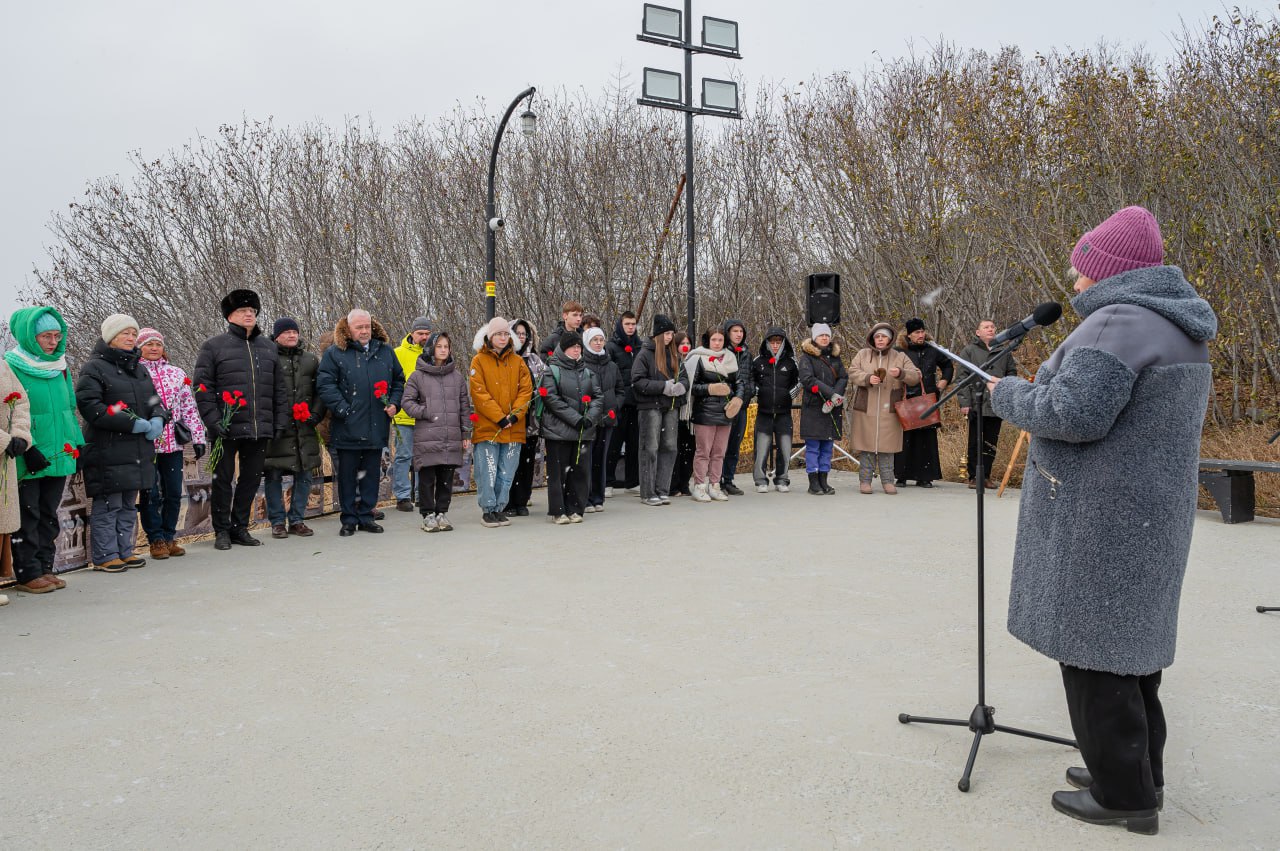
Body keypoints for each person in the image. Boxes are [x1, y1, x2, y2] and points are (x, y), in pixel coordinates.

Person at [988, 206, 1216, 835]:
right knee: (1133, 654)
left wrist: (1007, 395)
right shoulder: (1175, 322)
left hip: (1102, 519)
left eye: (1082, 267)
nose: (1075, 279)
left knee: (1093, 657)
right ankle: (1139, 773)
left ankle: (1124, 797)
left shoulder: (1119, 322)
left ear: (1110, 271)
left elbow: (1075, 412)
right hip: (1145, 516)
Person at [194, 289, 287, 550]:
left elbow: (278, 389)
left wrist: (279, 422)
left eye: (252, 311)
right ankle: (221, 530)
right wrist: (213, 420)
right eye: (242, 311)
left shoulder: (268, 347)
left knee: (250, 479)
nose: (249, 314)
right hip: (225, 427)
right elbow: (202, 387)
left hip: (259, 426)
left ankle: (240, 527)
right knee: (222, 479)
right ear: (230, 316)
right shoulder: (213, 346)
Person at [75, 314, 165, 572]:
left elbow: (154, 402)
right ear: (110, 336)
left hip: (138, 449)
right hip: (108, 447)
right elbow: (91, 406)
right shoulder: (94, 367)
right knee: (108, 503)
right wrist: (131, 423)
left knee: (128, 503)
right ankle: (105, 556)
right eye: (123, 333)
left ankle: (125, 551)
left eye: (132, 333)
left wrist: (158, 419)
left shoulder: (139, 368)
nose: (129, 337)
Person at [7, 307, 83, 594]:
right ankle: (28, 572)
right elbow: (11, 411)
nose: (53, 342)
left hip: (60, 451)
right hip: (30, 452)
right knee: (30, 513)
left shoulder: (59, 366)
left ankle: (46, 567)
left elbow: (68, 408)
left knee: (49, 512)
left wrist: (77, 444)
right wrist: (28, 448)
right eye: (45, 336)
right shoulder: (12, 365)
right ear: (29, 336)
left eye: (56, 335)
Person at [316, 309, 405, 536]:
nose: (364, 331)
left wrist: (395, 403)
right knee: (347, 476)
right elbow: (325, 385)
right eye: (359, 327)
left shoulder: (384, 351)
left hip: (376, 425)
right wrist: (344, 409)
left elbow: (398, 380)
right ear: (349, 328)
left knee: (371, 475)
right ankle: (348, 519)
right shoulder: (336, 353)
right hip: (347, 428)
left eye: (367, 326)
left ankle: (366, 515)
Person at [136, 328, 207, 558]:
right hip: (146, 444)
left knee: (174, 492)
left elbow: (188, 407)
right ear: (140, 348)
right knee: (150, 494)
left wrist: (198, 437)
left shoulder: (176, 373)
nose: (154, 348)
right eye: (149, 344)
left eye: (158, 344)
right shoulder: (134, 372)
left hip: (173, 445)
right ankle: (155, 539)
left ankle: (169, 536)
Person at [400, 332, 471, 533]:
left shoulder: (456, 377)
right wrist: (426, 412)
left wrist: (466, 433)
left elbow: (465, 407)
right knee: (427, 477)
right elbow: (407, 402)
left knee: (446, 478)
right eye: (439, 346)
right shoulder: (418, 376)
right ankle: (427, 514)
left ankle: (442, 512)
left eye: (446, 347)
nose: (442, 350)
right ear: (431, 348)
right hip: (427, 436)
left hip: (451, 436)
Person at [263, 317, 325, 539]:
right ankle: (277, 521)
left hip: (304, 426)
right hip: (277, 428)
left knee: (304, 475)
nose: (291, 335)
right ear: (277, 335)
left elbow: (320, 391)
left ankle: (297, 519)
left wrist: (315, 414)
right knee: (273, 475)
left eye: (294, 332)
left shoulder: (310, 360)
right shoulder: (268, 358)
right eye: (286, 332)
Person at [469, 316, 533, 527]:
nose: (503, 338)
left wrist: (515, 415)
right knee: (487, 470)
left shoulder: (518, 361)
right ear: (490, 336)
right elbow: (479, 393)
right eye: (498, 334)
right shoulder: (479, 361)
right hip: (489, 428)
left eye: (506, 334)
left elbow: (526, 391)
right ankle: (488, 509)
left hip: (514, 427)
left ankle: (500, 507)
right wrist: (498, 417)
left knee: (507, 471)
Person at [848, 322, 921, 495]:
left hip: (890, 409)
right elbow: (852, 371)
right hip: (866, 407)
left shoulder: (899, 356)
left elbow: (916, 376)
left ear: (890, 339)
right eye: (877, 336)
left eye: (884, 336)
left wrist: (901, 373)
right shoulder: (862, 354)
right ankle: (865, 481)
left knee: (887, 448)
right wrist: (867, 378)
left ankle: (888, 481)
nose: (880, 339)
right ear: (873, 338)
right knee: (867, 447)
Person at [538, 331, 602, 523]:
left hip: (584, 430)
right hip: (559, 431)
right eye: (573, 347)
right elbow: (551, 398)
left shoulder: (587, 371)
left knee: (580, 471)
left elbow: (598, 396)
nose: (576, 350)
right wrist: (575, 418)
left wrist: (590, 417)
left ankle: (576, 508)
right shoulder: (552, 370)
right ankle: (558, 511)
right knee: (558, 473)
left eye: (578, 347)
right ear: (564, 348)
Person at [681, 326, 746, 502]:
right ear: (707, 341)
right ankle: (699, 485)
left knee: (719, 452)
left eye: (720, 340)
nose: (717, 344)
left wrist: (738, 399)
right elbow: (691, 387)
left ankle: (715, 485)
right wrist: (710, 388)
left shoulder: (731, 358)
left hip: (726, 412)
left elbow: (740, 382)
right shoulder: (697, 358)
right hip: (705, 412)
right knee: (703, 451)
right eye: (714, 340)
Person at [955, 318, 1019, 488]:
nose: (990, 329)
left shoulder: (1004, 351)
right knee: (975, 441)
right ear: (978, 332)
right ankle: (974, 477)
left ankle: (986, 476)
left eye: (992, 326)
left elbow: (1011, 373)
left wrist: (1005, 392)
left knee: (991, 442)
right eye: (986, 327)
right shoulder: (969, 351)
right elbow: (961, 378)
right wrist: (965, 402)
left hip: (995, 403)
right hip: (976, 403)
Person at [631, 314, 686, 506]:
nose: (670, 337)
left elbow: (684, 375)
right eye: (667, 333)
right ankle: (648, 491)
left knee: (670, 447)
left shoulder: (674, 355)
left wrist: (681, 387)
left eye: (672, 333)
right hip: (650, 406)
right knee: (650, 448)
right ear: (658, 334)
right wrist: (662, 386)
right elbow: (637, 381)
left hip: (671, 406)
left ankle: (663, 488)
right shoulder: (644, 354)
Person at [893, 318, 952, 488]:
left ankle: (925, 476)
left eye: (922, 331)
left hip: (928, 399)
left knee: (926, 438)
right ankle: (901, 475)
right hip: (908, 398)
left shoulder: (932, 349)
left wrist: (943, 382)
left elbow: (948, 365)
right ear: (909, 335)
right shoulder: (899, 351)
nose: (921, 335)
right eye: (916, 332)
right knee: (906, 437)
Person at [796, 323, 849, 495]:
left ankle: (824, 481)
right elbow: (808, 379)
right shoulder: (806, 358)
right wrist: (830, 393)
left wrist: (836, 396)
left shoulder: (835, 357)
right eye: (821, 336)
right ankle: (813, 482)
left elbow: (843, 377)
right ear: (814, 338)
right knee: (813, 446)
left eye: (827, 335)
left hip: (832, 407)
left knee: (828, 445)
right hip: (814, 408)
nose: (824, 338)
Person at [391, 316, 433, 512]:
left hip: (427, 415)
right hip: (404, 415)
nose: (424, 336)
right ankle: (402, 496)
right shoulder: (398, 353)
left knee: (425, 456)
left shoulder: (434, 353)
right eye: (420, 333)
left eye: (427, 333)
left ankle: (421, 494)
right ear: (412, 333)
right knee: (403, 455)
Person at [505, 318, 545, 518]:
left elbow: (544, 381)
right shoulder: (506, 358)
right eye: (517, 333)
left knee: (527, 462)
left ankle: (522, 500)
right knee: (511, 462)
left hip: (532, 421)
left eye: (524, 334)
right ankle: (508, 501)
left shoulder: (535, 360)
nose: (521, 337)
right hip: (512, 420)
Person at [751, 325, 799, 493]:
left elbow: (799, 381)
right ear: (767, 343)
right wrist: (757, 391)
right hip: (763, 412)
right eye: (772, 342)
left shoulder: (791, 362)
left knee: (785, 448)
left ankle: (782, 479)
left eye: (779, 342)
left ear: (784, 343)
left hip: (784, 413)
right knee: (761, 448)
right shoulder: (758, 361)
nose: (775, 345)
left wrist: (790, 394)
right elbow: (751, 380)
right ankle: (760, 480)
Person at [0, 358, 33, 591]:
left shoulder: (2, 365)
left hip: (3, 456)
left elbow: (20, 400)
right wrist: (3, 440)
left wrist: (20, 434)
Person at [581, 326, 620, 512]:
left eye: (601, 340)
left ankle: (598, 497)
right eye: (594, 340)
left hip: (608, 418)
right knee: (586, 459)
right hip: (590, 419)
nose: (598, 343)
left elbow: (620, 389)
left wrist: (615, 405)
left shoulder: (611, 365)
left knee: (600, 459)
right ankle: (586, 497)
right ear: (587, 342)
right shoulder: (582, 364)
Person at [606, 311, 642, 493]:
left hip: (636, 402)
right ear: (621, 325)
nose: (630, 327)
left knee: (634, 443)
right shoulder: (611, 347)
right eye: (627, 324)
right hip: (619, 402)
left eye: (633, 324)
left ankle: (632, 481)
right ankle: (608, 481)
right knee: (613, 444)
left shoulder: (640, 346)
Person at [719, 319, 753, 495]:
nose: (739, 334)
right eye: (735, 331)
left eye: (741, 331)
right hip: (725, 406)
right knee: (720, 445)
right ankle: (717, 480)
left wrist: (751, 390)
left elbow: (750, 377)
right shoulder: (722, 352)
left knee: (734, 445)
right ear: (728, 333)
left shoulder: (747, 353)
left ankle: (729, 479)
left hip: (743, 406)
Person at [668, 332, 696, 497]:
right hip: (676, 410)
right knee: (675, 449)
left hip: (691, 412)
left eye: (688, 342)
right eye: (682, 343)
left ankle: (684, 483)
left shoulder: (694, 361)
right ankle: (673, 484)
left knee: (689, 449)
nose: (685, 346)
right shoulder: (672, 361)